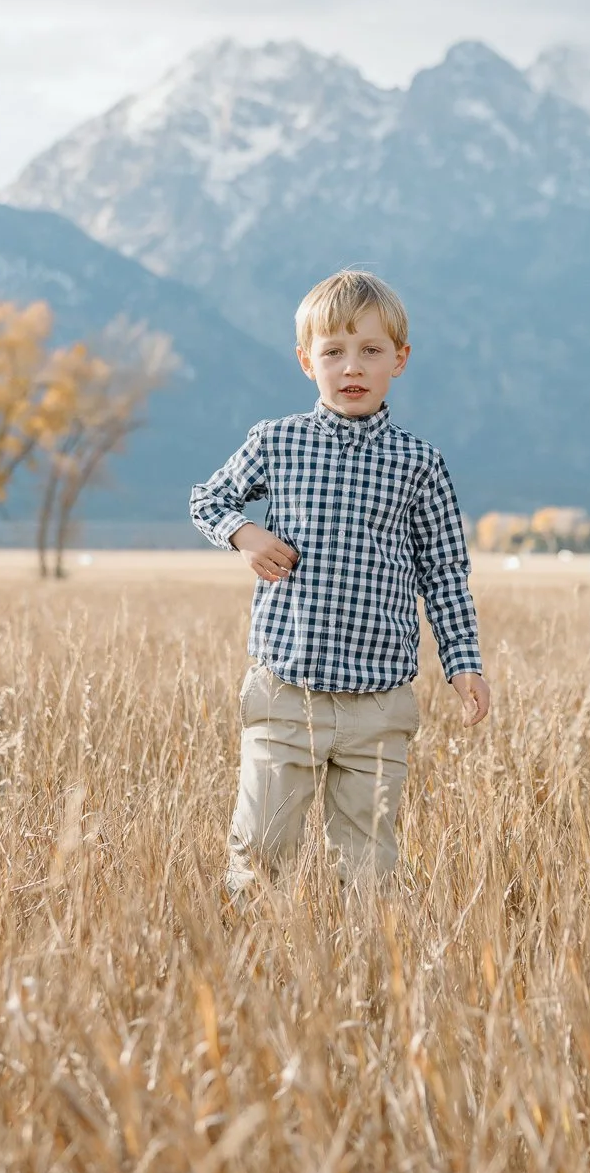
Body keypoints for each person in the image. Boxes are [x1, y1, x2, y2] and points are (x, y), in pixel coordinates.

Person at [189, 269, 493, 893]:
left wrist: (463, 664)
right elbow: (208, 500)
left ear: (399, 360)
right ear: (307, 362)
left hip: (379, 702)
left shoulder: (419, 464)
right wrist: (245, 535)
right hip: (285, 688)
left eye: (370, 351)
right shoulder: (277, 442)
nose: (351, 367)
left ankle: (366, 976)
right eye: (333, 352)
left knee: (370, 864)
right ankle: (253, 961)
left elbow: (444, 572)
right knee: (262, 846)